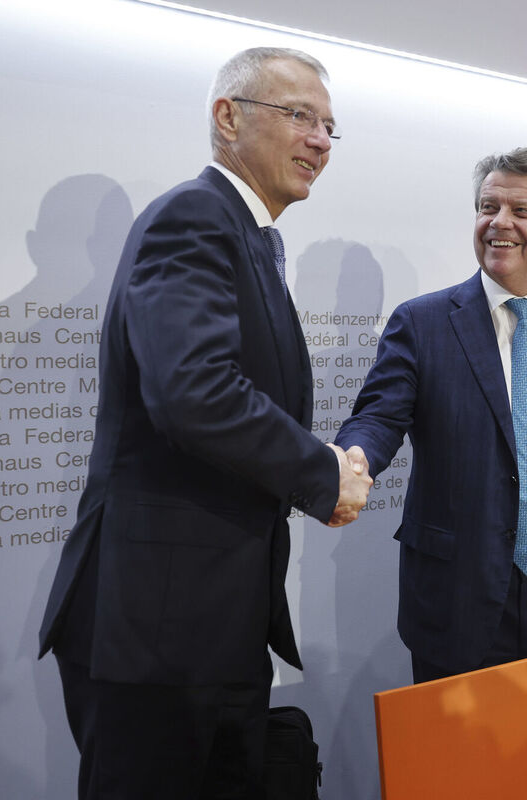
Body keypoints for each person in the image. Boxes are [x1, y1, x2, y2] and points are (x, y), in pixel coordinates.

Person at [37, 47, 373, 799]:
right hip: (155, 632)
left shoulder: (250, 237)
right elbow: (193, 389)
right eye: (299, 116)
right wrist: (323, 473)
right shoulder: (195, 217)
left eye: (329, 126)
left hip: (209, 625)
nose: (320, 139)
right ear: (229, 117)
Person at [334, 147, 527, 796]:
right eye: (488, 207)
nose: (500, 222)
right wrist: (354, 459)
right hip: (460, 596)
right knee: (456, 777)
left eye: (522, 210)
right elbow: (379, 416)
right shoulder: (425, 322)